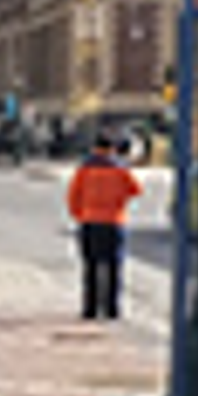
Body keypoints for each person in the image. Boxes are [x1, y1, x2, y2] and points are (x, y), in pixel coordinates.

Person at [67, 131, 142, 320]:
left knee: (91, 267)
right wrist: (119, 199)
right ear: (112, 148)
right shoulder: (120, 169)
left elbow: (73, 196)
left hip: (90, 221)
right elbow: (136, 190)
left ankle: (90, 308)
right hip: (114, 222)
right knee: (114, 267)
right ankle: (112, 309)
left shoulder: (85, 169)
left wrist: (80, 214)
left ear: (95, 147)